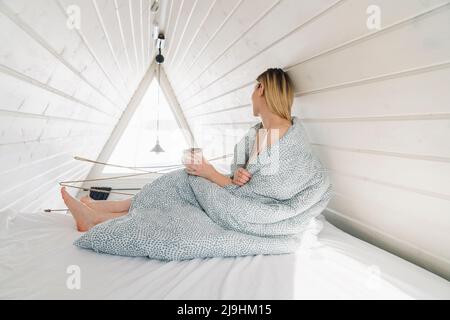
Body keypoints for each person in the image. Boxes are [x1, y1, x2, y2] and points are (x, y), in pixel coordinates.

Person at [61, 68, 296, 232]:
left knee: (177, 187)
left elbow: (253, 199)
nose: (251, 97)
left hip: (237, 212)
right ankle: (97, 210)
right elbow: (248, 185)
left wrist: (209, 172)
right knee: (175, 184)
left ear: (262, 88)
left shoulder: (278, 135)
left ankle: (95, 216)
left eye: (254, 89)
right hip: (233, 199)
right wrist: (233, 176)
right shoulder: (263, 133)